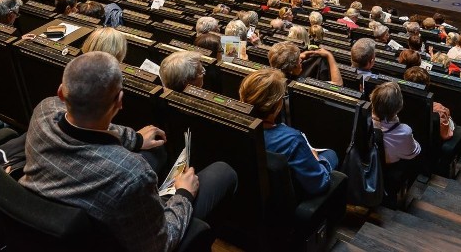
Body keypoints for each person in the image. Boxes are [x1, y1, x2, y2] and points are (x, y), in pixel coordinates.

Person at [20, 51, 237, 251]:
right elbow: (161, 244)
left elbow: (91, 126)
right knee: (224, 172)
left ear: (61, 93)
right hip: (121, 241)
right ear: (119, 102)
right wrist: (183, 195)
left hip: (51, 221)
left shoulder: (44, 111)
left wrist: (137, 138)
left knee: (157, 151)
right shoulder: (133, 173)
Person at [239, 68, 337, 196]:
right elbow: (319, 184)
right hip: (289, 201)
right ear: (278, 104)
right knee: (331, 155)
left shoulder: (232, 124)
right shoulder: (291, 139)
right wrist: (317, 160)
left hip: (249, 194)